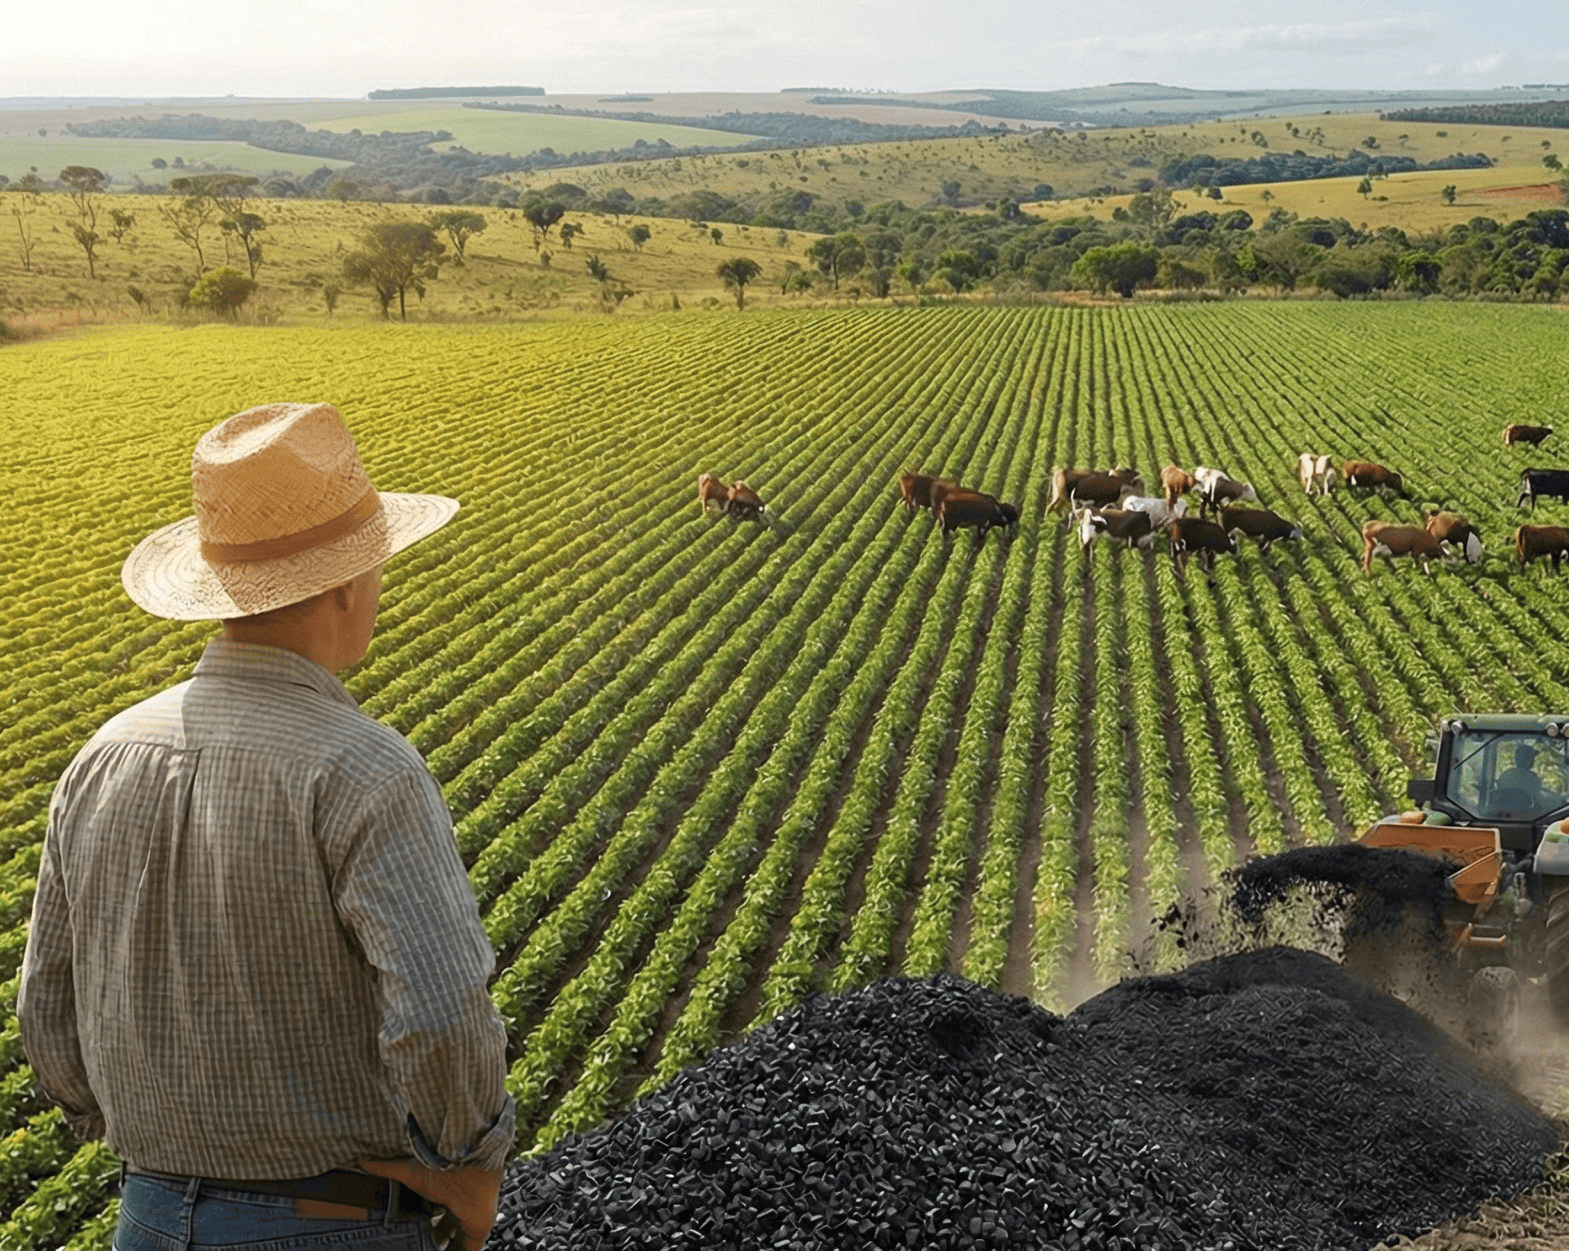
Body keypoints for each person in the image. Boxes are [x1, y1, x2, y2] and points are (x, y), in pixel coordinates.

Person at [18, 402, 514, 1251]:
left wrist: (160, 1157)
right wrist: (469, 1170)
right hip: (330, 1221)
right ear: (349, 583)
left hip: (145, 1218)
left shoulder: (103, 756)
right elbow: (437, 1013)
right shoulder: (363, 769)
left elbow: (46, 1011)